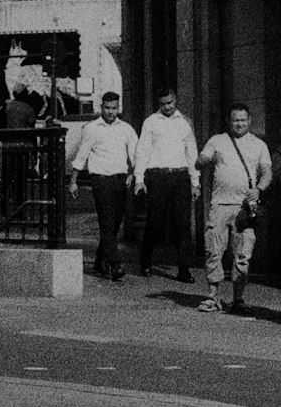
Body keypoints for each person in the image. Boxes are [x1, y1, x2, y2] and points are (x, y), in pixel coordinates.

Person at [195, 103, 272, 316]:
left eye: (243, 120)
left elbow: (267, 173)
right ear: (230, 121)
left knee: (243, 255)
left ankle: (238, 298)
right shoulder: (217, 141)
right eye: (235, 120)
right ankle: (213, 296)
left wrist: (259, 189)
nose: (239, 123)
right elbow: (200, 161)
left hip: (244, 209)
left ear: (249, 121)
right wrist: (203, 159)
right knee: (213, 251)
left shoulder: (258, 145)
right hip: (220, 205)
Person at [133, 86, 199, 281]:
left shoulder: (185, 122)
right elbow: (142, 150)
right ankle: (145, 262)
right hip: (158, 177)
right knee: (155, 223)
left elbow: (191, 152)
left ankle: (184, 269)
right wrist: (139, 179)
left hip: (180, 177)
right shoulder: (150, 122)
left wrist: (195, 182)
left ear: (175, 100)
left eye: (169, 103)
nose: (167, 107)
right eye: (163, 104)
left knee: (183, 225)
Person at [69, 92, 138, 280]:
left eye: (114, 108)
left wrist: (134, 174)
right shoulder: (92, 128)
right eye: (107, 108)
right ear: (102, 107)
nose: (110, 112)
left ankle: (100, 258)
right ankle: (115, 264)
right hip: (100, 180)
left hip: (120, 179)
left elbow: (134, 154)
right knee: (106, 221)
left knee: (115, 222)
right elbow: (82, 155)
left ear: (118, 108)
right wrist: (73, 181)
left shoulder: (126, 129)